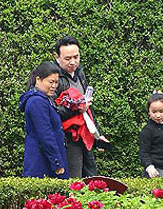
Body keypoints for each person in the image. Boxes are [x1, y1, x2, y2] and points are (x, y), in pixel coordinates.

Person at [52, 35, 109, 178]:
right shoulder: (53, 78)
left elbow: (87, 107)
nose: (73, 62)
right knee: (74, 180)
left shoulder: (80, 73)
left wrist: (98, 133)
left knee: (91, 178)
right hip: (68, 138)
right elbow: (52, 111)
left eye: (76, 57)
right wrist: (75, 109)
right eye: (67, 58)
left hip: (85, 134)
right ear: (57, 57)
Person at [20, 62, 69, 179]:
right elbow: (45, 134)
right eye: (50, 82)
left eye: (56, 82)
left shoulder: (45, 99)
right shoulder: (37, 102)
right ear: (38, 79)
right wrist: (57, 163)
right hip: (42, 162)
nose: (54, 86)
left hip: (46, 160)